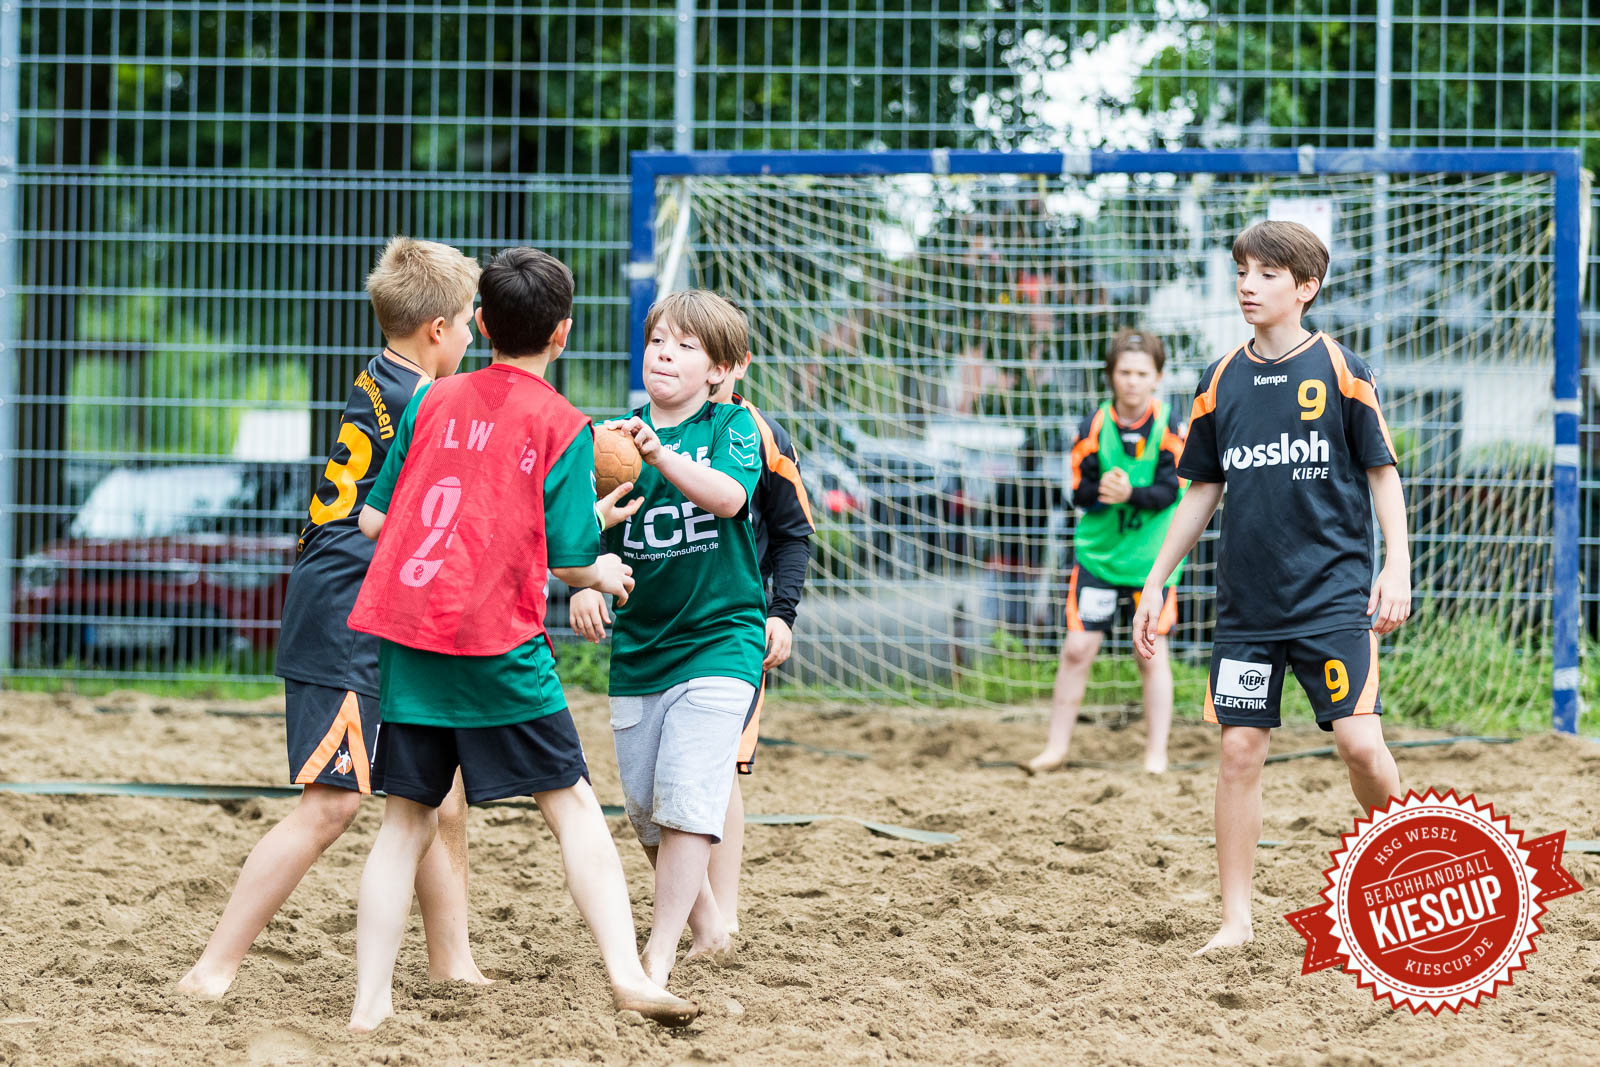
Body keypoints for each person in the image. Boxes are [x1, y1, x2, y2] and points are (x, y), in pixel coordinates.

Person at [343, 247, 697, 1032]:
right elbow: (570, 560)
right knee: (572, 803)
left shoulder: (430, 399)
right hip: (493, 639)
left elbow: (373, 518)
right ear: (563, 333)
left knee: (404, 823)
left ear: (480, 320)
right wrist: (603, 568)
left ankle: (369, 1005)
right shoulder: (563, 424)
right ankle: (628, 976)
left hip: (408, 632)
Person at [179, 236, 485, 998]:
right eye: (469, 321)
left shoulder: (388, 375)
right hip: (348, 614)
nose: (475, 334)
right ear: (437, 329)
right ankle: (211, 968)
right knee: (331, 805)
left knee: (436, 788)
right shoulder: (424, 401)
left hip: (383, 611)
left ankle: (452, 962)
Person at [1131, 220, 1411, 956]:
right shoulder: (1218, 379)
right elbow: (1201, 490)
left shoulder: (1342, 369)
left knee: (1360, 745)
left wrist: (1398, 566)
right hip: (1247, 608)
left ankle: (1405, 862)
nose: (1247, 285)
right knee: (1239, 752)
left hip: (1332, 597)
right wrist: (1156, 581)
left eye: (1265, 274)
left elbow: (1382, 472)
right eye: (1242, 271)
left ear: (1306, 287)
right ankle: (1236, 921)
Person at [568, 290, 766, 989]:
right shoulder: (611, 441)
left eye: (685, 346)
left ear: (718, 370)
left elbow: (730, 498)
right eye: (657, 340)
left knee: (686, 797)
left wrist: (663, 456)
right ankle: (708, 926)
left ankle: (657, 953)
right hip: (642, 647)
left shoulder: (732, 424)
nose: (665, 354)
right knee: (647, 813)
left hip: (722, 637)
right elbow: (585, 531)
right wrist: (585, 583)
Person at [1022, 328, 1185, 776]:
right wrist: (1101, 493)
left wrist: (1131, 493)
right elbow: (1078, 491)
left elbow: (1172, 492)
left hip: (1152, 565)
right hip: (1099, 559)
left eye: (1142, 373)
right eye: (1124, 372)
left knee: (1150, 653)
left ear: (1157, 377)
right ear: (1111, 375)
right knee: (1078, 649)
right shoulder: (1093, 426)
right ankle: (1055, 749)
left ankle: (1155, 755)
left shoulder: (1172, 426)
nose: (1132, 381)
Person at [709, 350, 815, 933]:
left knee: (717, 767)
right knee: (653, 791)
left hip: (735, 629)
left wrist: (782, 613)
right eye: (665, 343)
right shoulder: (639, 434)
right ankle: (696, 911)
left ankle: (720, 919)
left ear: (738, 364)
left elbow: (794, 535)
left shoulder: (764, 434)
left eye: (715, 355)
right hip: (657, 631)